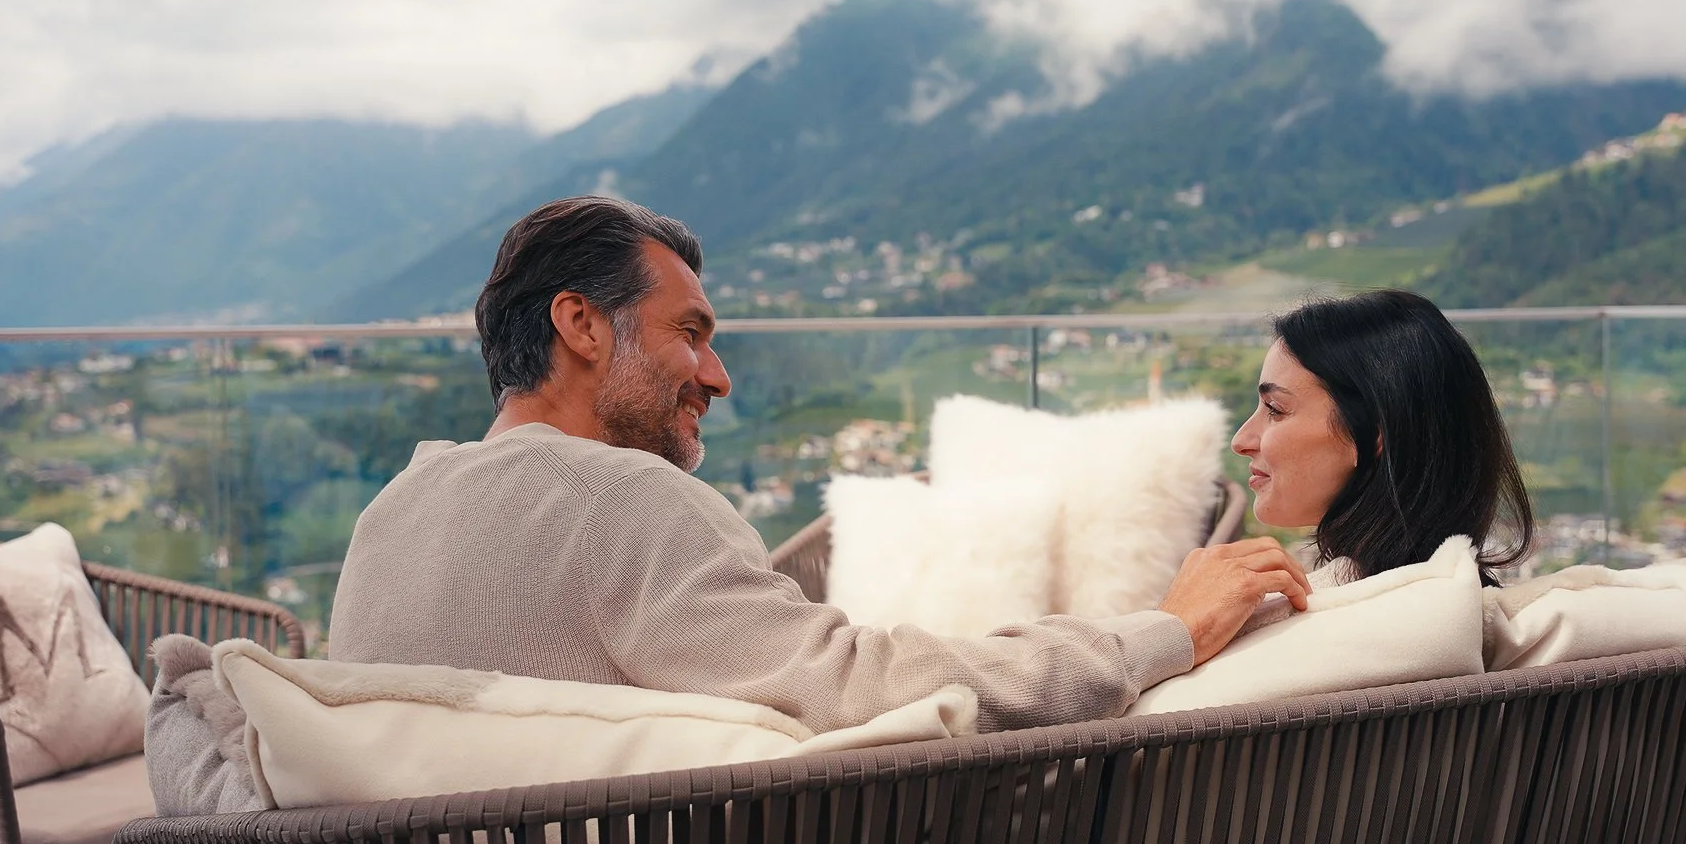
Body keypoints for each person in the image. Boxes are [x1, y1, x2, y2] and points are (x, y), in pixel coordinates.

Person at [328, 196, 1309, 734]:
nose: (717, 376)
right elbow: (859, 684)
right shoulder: (623, 498)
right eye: (692, 334)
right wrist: (1157, 634)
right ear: (580, 324)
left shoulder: (392, 515)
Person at [1231, 288, 1535, 588]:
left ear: (1375, 434)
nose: (1240, 441)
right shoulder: (1455, 600)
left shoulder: (1342, 624)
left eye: (1275, 409)